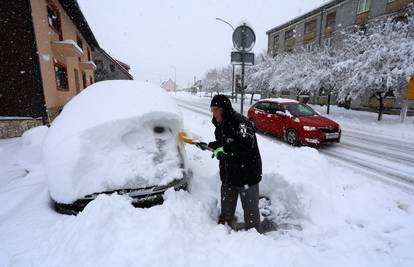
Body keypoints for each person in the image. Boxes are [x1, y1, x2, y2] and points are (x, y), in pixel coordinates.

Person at [196, 95, 262, 232]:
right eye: (212, 110)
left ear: (224, 109)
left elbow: (247, 144)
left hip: (247, 176)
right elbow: (223, 143)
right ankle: (224, 231)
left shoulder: (241, 123)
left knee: (250, 212)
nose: (213, 113)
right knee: (226, 209)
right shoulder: (219, 126)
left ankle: (255, 238)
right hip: (228, 175)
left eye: (215, 109)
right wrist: (209, 145)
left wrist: (225, 150)